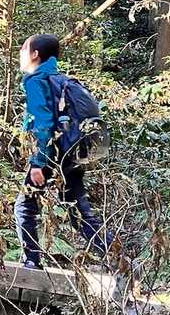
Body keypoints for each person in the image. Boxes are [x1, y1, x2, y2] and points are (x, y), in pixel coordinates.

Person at [13, 33, 107, 269]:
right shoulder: (59, 79)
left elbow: (43, 123)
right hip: (71, 152)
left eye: (24, 49)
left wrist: (38, 162)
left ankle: (31, 262)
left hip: (50, 155)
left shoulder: (36, 80)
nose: (21, 53)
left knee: (24, 207)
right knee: (78, 212)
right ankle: (118, 257)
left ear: (35, 54)